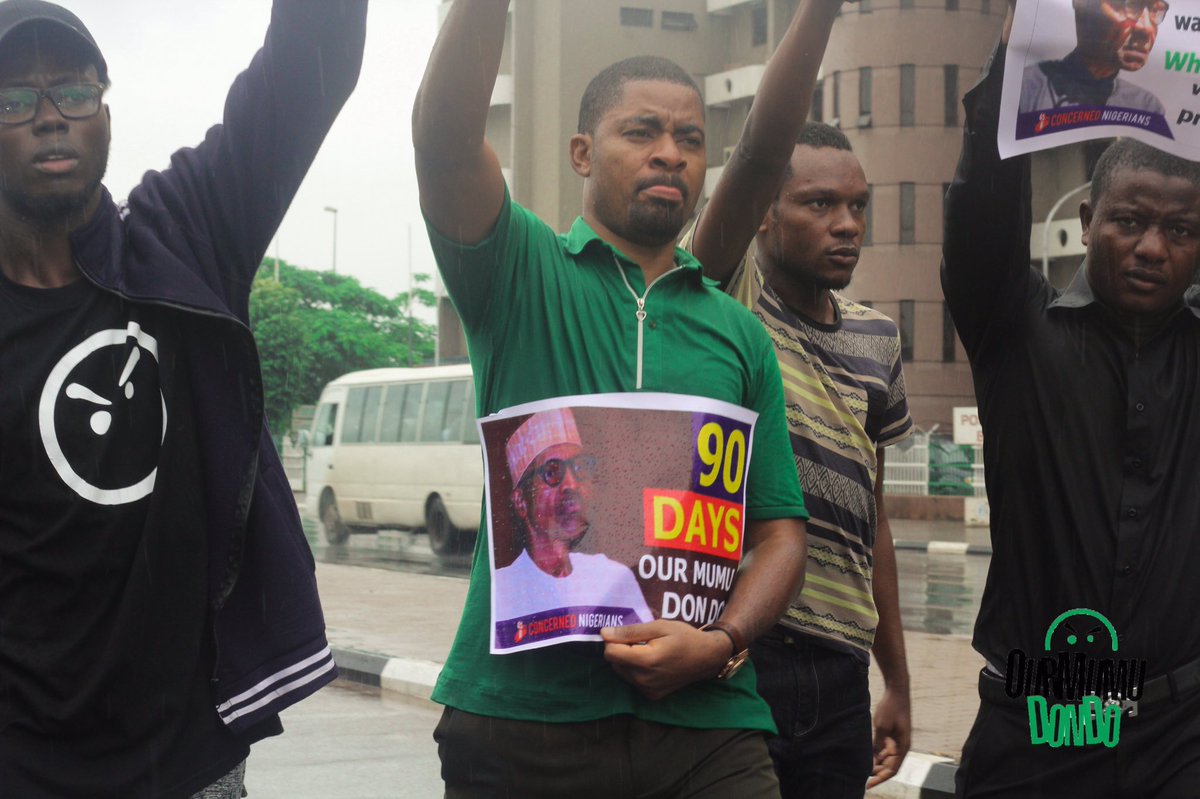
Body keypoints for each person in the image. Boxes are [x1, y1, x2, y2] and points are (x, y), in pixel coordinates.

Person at [413, 0, 809, 795]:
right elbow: (446, 141)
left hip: (709, 729)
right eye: (642, 133)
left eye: (691, 140)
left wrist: (724, 640)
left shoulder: (740, 334)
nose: (670, 154)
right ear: (582, 153)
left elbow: (778, 536)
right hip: (521, 724)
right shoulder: (517, 271)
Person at [0, 2, 365, 797]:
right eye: (14, 100)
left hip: (188, 764)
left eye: (74, 90)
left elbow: (314, 64)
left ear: (105, 108)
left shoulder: (184, 232)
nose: (51, 118)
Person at [945, 4, 1200, 797]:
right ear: (1088, 222)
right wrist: (1027, 44)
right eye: (1129, 220)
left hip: (1179, 737)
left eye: (1182, 229)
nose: (1153, 247)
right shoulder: (1015, 328)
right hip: (1038, 732)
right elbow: (983, 205)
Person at [685, 4, 913, 792]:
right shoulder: (729, 298)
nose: (845, 224)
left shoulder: (879, 339)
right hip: (744, 652)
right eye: (819, 204)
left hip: (843, 675)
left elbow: (871, 518)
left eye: (857, 206)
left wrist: (900, 682)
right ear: (765, 217)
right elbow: (754, 153)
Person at [492, 408, 653, 626]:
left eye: (580, 468)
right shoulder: (504, 587)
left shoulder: (611, 576)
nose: (571, 485)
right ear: (521, 501)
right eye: (552, 472)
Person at [1019, 0, 1166, 116]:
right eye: (1130, 5)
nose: (1146, 27)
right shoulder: (1025, 88)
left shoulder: (1147, 106)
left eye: (1155, 10)